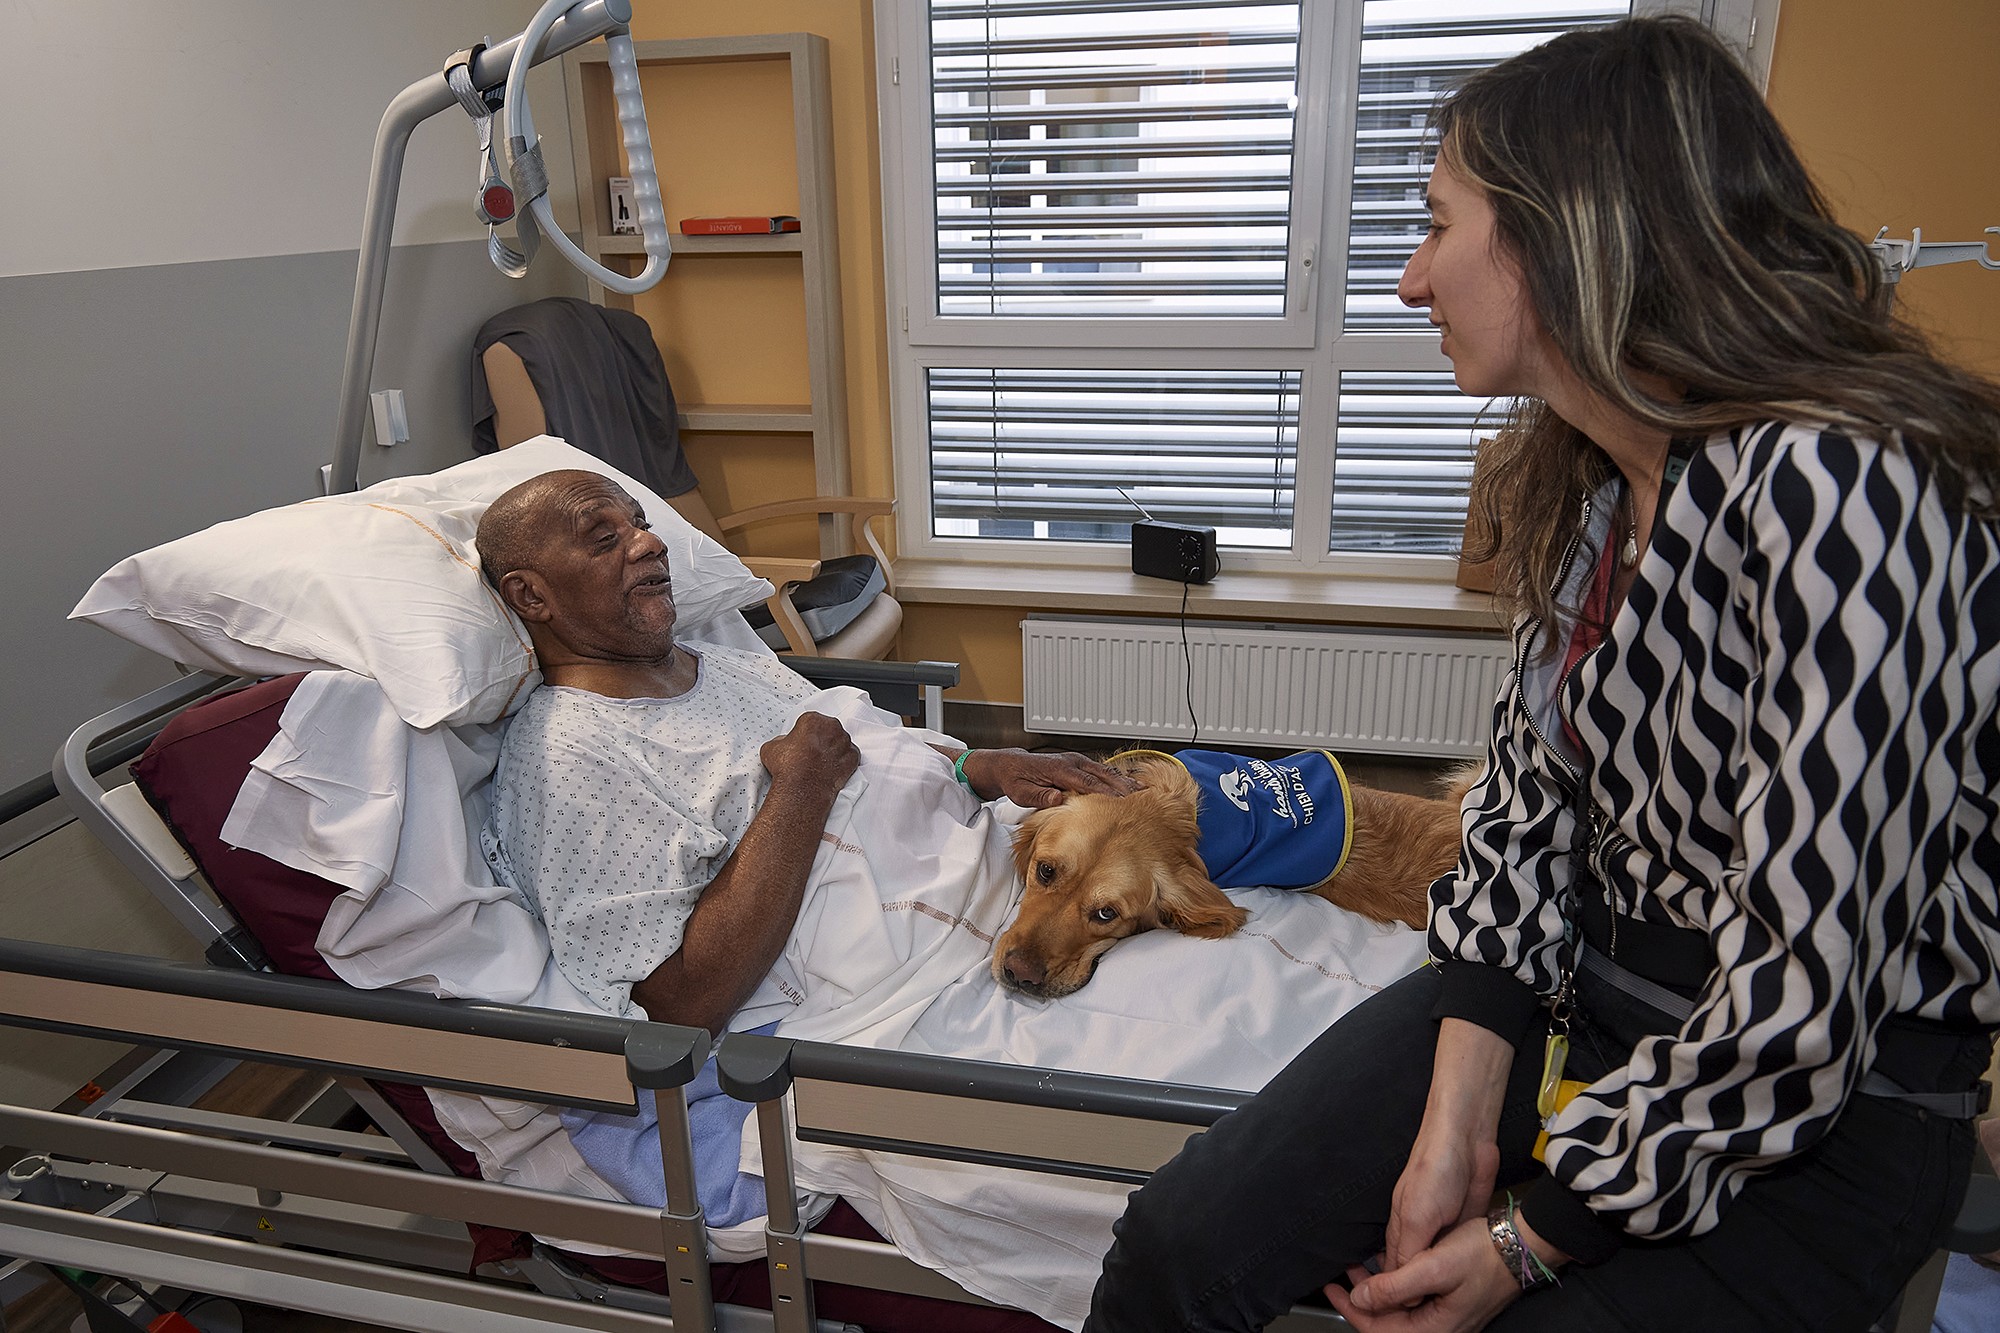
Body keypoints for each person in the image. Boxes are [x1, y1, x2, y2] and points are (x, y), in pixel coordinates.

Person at [1086, 17, 2000, 1333]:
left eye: (1437, 224)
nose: (1409, 280)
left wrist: (1530, 1234)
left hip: (1822, 1108)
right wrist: (1457, 1122)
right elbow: (1524, 818)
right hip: (1593, 1010)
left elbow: (1805, 996)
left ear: (1573, 232)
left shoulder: (1841, 482)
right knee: (1178, 1246)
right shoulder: (1595, 485)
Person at [475, 468, 1131, 1032]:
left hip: (1003, 886)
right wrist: (800, 787)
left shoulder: (720, 666)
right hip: (931, 976)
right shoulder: (571, 756)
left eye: (641, 522)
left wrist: (977, 766)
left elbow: (866, 747)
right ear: (532, 595)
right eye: (605, 538)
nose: (649, 542)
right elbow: (677, 1006)